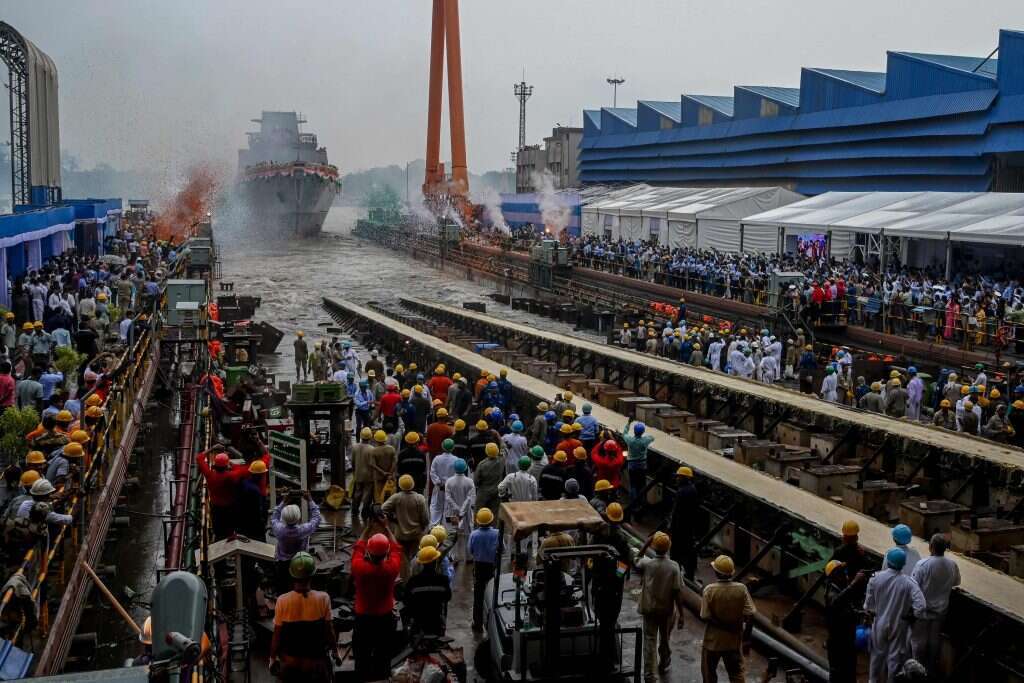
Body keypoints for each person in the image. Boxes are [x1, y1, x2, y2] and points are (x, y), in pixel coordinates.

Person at [270, 552, 339, 682]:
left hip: (291, 663)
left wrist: (272, 658)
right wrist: (335, 652)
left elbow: (277, 634)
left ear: (292, 575)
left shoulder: (282, 601)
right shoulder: (323, 598)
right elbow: (329, 630)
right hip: (315, 664)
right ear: (312, 575)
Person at [864, 547, 926, 683]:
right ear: (903, 564)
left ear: (888, 561)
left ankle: (872, 680)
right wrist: (913, 616)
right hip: (899, 624)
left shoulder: (875, 578)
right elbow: (921, 605)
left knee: (876, 656)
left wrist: (870, 613)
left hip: (879, 622)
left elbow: (868, 605)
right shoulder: (909, 583)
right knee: (894, 658)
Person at [350, 527, 402, 682]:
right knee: (383, 655)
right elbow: (396, 547)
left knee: (361, 656)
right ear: (385, 554)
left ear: (369, 552)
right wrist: (387, 528)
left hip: (363, 619)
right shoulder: (391, 569)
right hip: (385, 619)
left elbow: (358, 547)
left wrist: (367, 528)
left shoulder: (359, 568)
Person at [634, 531, 684, 682]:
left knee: (649, 639)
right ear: (668, 547)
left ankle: (650, 675)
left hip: (649, 609)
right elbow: (677, 592)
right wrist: (682, 614)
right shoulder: (674, 567)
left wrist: (646, 544)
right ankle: (664, 661)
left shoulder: (648, 564)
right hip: (666, 610)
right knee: (665, 638)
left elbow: (636, 559)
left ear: (654, 547)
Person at [699, 554, 756, 683]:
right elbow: (750, 614)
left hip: (713, 642)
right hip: (733, 642)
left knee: (709, 674)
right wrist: (746, 638)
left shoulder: (709, 590)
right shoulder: (741, 589)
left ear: (716, 572)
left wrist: (725, 626)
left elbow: (705, 616)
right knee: (736, 674)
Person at [911, 534, 961, 674]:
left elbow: (913, 587)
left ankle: (917, 671)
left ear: (930, 547)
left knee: (918, 641)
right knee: (934, 640)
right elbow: (956, 582)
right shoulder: (952, 565)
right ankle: (930, 668)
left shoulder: (923, 564)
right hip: (941, 610)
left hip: (923, 610)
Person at [591, 502, 632, 665]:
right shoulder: (622, 538)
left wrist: (591, 572)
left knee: (602, 618)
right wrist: (617, 577)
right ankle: (609, 653)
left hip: (600, 582)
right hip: (614, 586)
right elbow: (624, 562)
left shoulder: (599, 534)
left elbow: (590, 557)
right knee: (611, 618)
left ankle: (604, 653)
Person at [823, 560, 868, 683]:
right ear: (835, 575)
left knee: (849, 674)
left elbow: (846, 607)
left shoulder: (839, 588)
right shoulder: (832, 593)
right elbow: (837, 602)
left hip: (847, 640)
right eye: (842, 572)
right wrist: (854, 583)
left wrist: (859, 613)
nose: (846, 573)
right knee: (839, 675)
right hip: (838, 643)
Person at [270, 493, 321, 595]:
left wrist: (283, 502)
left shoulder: (279, 530)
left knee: (283, 590)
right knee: (300, 588)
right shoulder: (303, 530)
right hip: (300, 562)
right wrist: (310, 500)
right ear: (298, 518)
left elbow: (274, 517)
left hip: (283, 564)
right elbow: (317, 518)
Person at [196, 447, 248, 539]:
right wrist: (232, 465)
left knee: (218, 530)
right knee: (230, 530)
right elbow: (245, 470)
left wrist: (212, 448)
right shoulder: (231, 476)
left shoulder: (209, 475)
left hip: (215, 508)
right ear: (226, 465)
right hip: (229, 508)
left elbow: (199, 457)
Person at [403, 544, 453, 637]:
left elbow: (406, 601)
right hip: (436, 624)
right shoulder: (443, 580)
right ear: (435, 562)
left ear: (422, 563)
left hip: (418, 625)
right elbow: (447, 597)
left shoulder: (413, 581)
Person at [468, 507, 499, 631]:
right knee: (493, 594)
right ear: (491, 520)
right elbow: (503, 549)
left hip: (479, 566)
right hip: (492, 566)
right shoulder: (497, 533)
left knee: (478, 595)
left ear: (478, 521)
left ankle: (478, 623)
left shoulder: (474, 534)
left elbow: (470, 550)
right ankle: (493, 623)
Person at [669, 466, 699, 581]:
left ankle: (676, 575)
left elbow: (677, 512)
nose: (676, 479)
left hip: (680, 528)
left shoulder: (682, 492)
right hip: (689, 527)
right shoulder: (693, 489)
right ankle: (689, 574)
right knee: (688, 551)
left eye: (678, 477)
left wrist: (672, 527)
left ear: (684, 478)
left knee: (676, 553)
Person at [444, 458, 475, 564]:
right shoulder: (470, 481)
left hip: (453, 513)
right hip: (466, 514)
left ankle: (454, 557)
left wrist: (456, 509)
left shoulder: (449, 481)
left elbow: (448, 498)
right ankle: (469, 557)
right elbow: (469, 499)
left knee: (453, 534)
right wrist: (462, 512)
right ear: (465, 468)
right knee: (468, 534)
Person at [622, 420, 654, 517]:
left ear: (635, 431)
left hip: (632, 465)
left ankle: (633, 502)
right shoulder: (645, 441)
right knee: (641, 485)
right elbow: (652, 437)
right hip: (642, 465)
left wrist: (628, 423)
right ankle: (642, 502)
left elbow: (624, 433)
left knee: (633, 485)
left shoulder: (630, 440)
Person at [429, 438, 457, 525]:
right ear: (453, 448)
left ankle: (434, 526)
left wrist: (439, 483)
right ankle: (446, 528)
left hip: (439, 487)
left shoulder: (437, 459)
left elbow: (432, 472)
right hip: (451, 488)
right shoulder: (456, 460)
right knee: (448, 507)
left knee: (436, 506)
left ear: (442, 447)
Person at [473, 441, 504, 513]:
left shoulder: (482, 464)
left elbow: (476, 481)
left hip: (483, 492)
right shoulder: (502, 461)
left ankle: (478, 524)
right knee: (495, 512)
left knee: (479, 511)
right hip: (496, 491)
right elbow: (504, 452)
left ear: (486, 452)